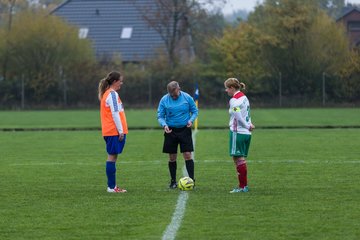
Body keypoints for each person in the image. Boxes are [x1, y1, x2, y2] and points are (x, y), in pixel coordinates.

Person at [157, 81, 199, 189]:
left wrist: (191, 120)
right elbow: (160, 116)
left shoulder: (187, 97)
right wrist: (164, 125)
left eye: (175, 94)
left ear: (178, 88)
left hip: (185, 129)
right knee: (172, 157)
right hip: (170, 131)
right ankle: (173, 181)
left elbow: (194, 111)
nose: (173, 96)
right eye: (171, 95)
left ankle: (191, 180)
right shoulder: (164, 100)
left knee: (187, 155)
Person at [98, 71, 128, 193]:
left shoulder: (108, 94)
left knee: (113, 157)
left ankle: (112, 186)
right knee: (111, 157)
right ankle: (112, 187)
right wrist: (120, 130)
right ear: (115, 81)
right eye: (120, 80)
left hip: (111, 131)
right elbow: (115, 113)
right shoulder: (112, 94)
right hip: (113, 131)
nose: (121, 83)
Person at [224, 78, 255, 193]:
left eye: (227, 88)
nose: (226, 90)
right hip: (246, 133)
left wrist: (247, 125)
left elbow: (237, 114)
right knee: (237, 158)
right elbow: (245, 113)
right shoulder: (244, 97)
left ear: (232, 88)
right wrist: (249, 124)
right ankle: (243, 185)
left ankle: (243, 187)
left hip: (239, 132)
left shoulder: (234, 100)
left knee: (238, 158)